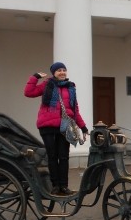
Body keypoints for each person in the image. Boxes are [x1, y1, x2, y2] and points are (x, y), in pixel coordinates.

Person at [24, 62, 89, 196]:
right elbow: (28, 92)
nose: (62, 72)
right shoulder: (47, 84)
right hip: (47, 126)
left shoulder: (71, 88)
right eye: (59, 70)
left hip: (64, 126)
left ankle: (64, 186)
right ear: (54, 73)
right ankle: (55, 186)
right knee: (52, 156)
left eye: (64, 70)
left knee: (64, 157)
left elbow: (74, 110)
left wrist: (83, 127)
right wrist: (35, 77)